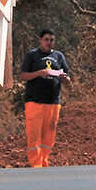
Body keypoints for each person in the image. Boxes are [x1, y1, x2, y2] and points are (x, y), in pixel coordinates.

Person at [19, 28, 71, 168]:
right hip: (34, 102)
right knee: (34, 134)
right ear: (41, 40)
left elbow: (68, 79)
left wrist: (64, 78)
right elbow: (23, 75)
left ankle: (44, 162)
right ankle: (35, 165)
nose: (49, 43)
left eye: (51, 40)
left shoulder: (59, 56)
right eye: (46, 40)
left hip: (53, 102)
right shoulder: (32, 55)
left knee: (49, 134)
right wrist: (39, 73)